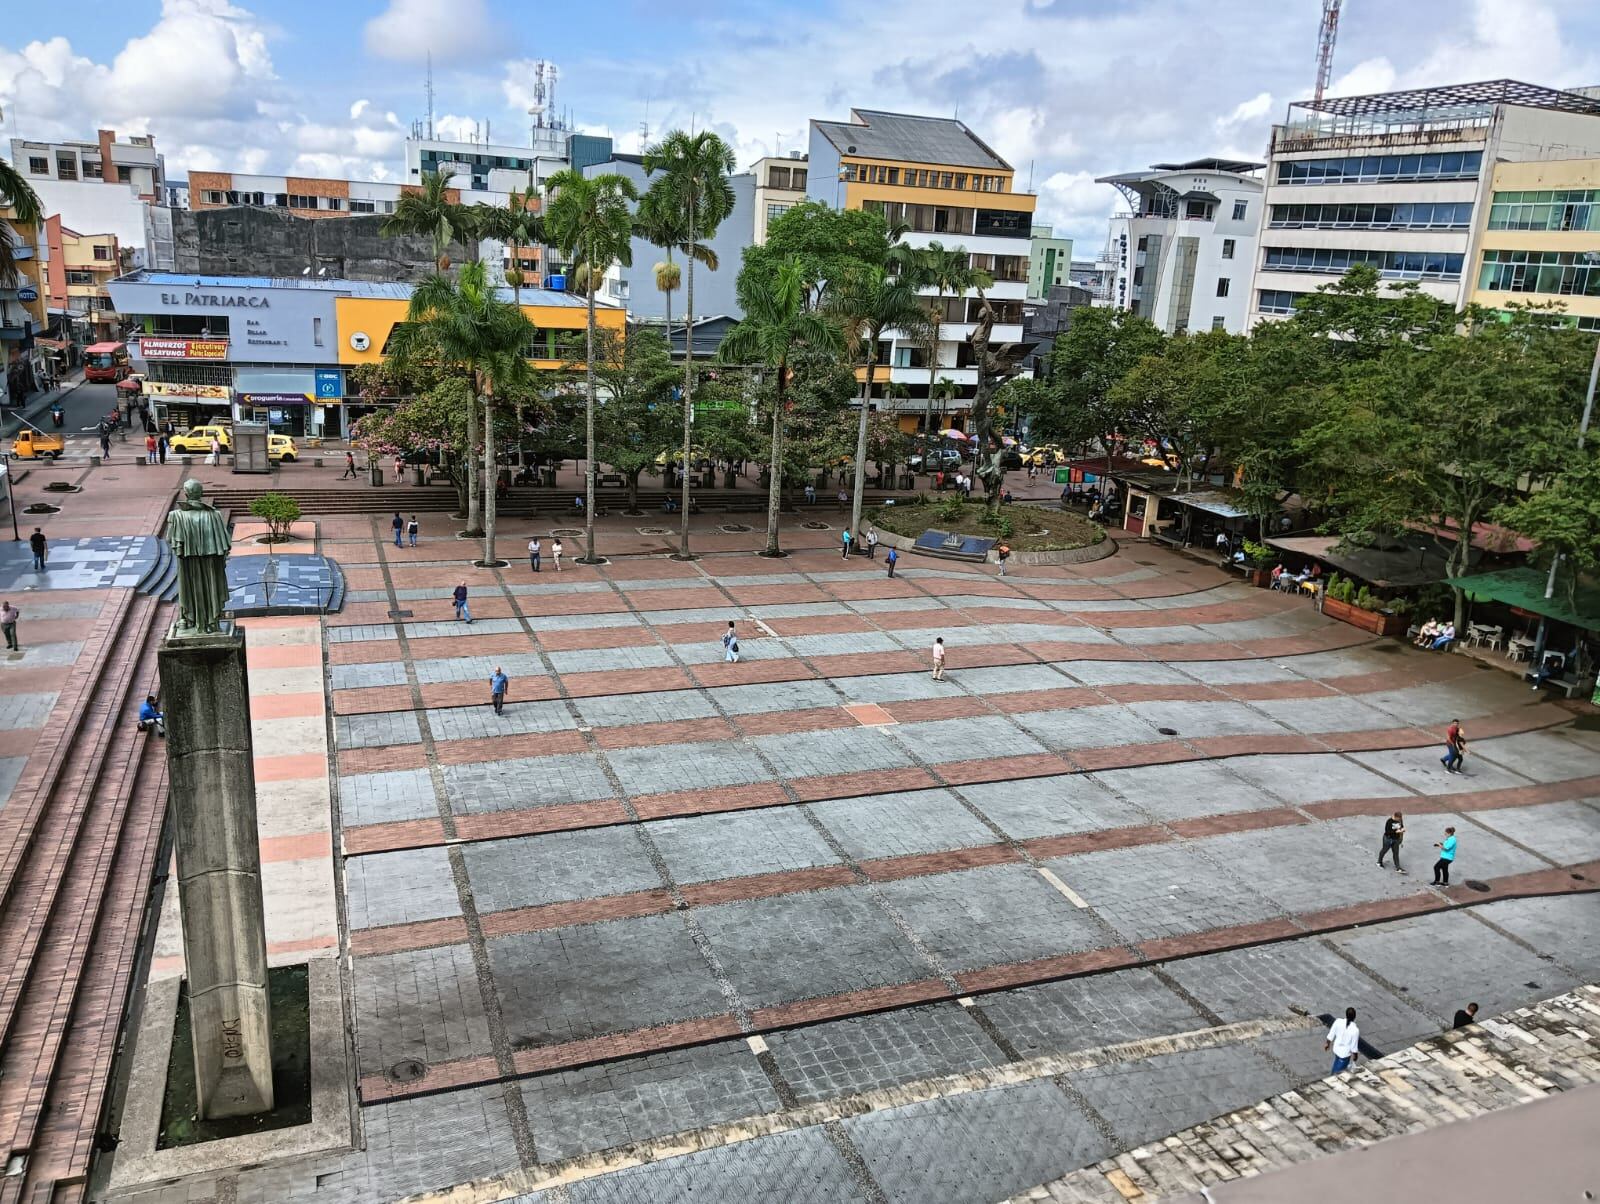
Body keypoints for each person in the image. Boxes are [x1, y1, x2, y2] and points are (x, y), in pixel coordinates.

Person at [1325, 1008, 1360, 1074]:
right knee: (1338, 1072)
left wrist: (1327, 1043)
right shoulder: (1355, 1030)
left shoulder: (1338, 1021)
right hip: (1345, 1054)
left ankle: (1332, 1074)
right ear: (1354, 1017)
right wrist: (1355, 1056)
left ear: (1346, 1014)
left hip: (1336, 1048)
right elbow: (1354, 1046)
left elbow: (1331, 1034)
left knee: (1336, 1062)